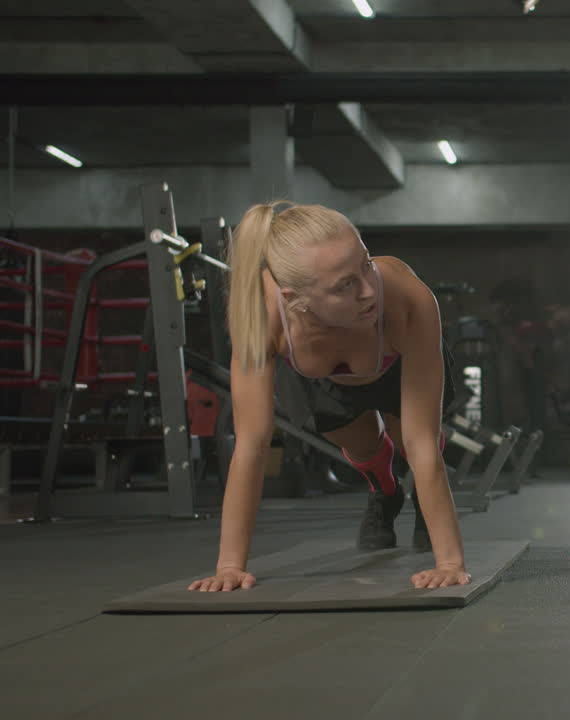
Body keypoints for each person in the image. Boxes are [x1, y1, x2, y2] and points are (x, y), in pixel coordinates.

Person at [188, 201, 469, 592]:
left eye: (365, 264)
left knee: (414, 444)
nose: (369, 290)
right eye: (345, 285)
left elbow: (422, 441)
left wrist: (450, 562)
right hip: (321, 380)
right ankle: (385, 494)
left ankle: (424, 501)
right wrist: (229, 566)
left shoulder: (408, 300)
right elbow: (251, 444)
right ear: (294, 298)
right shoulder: (265, 318)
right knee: (365, 449)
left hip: (395, 363)